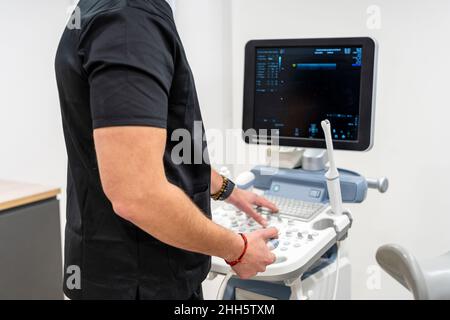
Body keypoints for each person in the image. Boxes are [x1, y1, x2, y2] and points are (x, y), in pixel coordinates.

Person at [55, 0, 278, 300]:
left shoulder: (106, 11)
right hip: (142, 281)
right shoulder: (129, 20)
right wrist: (239, 250)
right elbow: (136, 194)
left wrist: (230, 191)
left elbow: (156, 151)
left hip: (115, 270)